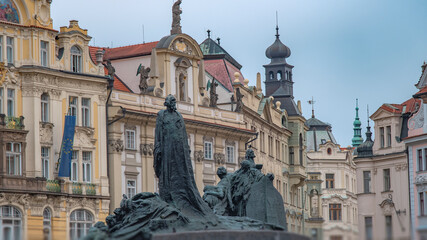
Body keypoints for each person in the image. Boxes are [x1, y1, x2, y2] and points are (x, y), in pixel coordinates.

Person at [154, 95, 213, 219]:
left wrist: (186, 149)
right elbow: (158, 133)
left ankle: (183, 200)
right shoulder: (162, 115)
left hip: (180, 150)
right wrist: (158, 148)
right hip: (167, 148)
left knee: (182, 174)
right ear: (167, 103)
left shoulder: (179, 116)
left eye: (175, 101)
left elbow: (183, 133)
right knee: (167, 173)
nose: (175, 103)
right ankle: (168, 199)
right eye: (173, 101)